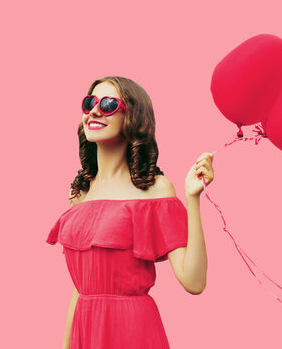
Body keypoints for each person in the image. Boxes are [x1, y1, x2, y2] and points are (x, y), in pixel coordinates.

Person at [46, 76, 214, 348]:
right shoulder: (80, 195)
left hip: (133, 331)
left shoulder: (156, 189)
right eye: (89, 102)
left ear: (133, 117)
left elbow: (194, 281)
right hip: (85, 332)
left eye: (109, 103)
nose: (94, 111)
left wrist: (191, 199)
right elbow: (81, 289)